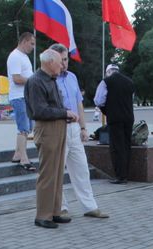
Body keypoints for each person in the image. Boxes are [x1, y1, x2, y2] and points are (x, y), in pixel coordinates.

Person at [50, 43, 108, 219]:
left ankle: (90, 206)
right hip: (58, 127)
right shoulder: (49, 79)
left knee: (81, 168)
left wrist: (83, 127)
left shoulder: (72, 77)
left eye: (66, 59)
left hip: (74, 128)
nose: (64, 64)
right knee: (57, 170)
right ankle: (60, 207)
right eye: (61, 60)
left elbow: (79, 104)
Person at [25, 49, 76, 229]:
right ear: (49, 62)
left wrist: (65, 114)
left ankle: (55, 212)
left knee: (57, 172)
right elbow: (39, 110)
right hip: (47, 129)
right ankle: (43, 215)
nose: (62, 65)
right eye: (60, 62)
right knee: (48, 174)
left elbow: (53, 106)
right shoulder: (36, 81)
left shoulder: (51, 80)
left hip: (58, 127)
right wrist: (64, 113)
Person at [95, 64, 135, 184]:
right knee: (126, 145)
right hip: (128, 118)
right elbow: (131, 99)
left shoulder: (106, 82)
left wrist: (106, 111)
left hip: (114, 119)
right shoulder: (129, 82)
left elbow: (98, 100)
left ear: (108, 72)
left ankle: (120, 176)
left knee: (117, 147)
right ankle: (126, 174)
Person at [7, 32, 36, 172]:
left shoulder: (23, 56)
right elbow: (17, 79)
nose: (33, 47)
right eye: (31, 43)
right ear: (24, 41)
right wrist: (33, 81)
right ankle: (24, 159)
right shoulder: (15, 56)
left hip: (25, 96)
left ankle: (17, 154)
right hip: (19, 97)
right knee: (23, 128)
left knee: (27, 127)